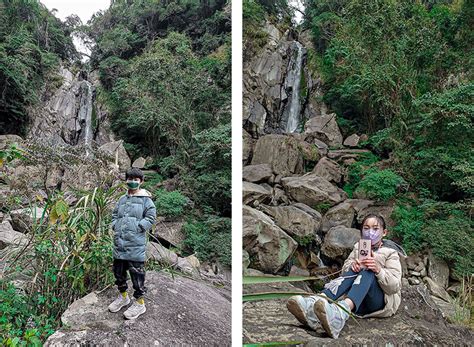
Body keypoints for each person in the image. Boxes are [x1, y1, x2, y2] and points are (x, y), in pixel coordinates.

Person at [287, 214, 404, 338]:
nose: (370, 232)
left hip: (378, 304)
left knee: (368, 269)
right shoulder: (359, 247)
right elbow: (345, 273)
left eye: (375, 229)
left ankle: (340, 315)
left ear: (384, 232)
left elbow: (394, 286)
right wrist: (353, 266)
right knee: (358, 267)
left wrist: (378, 270)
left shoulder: (391, 253)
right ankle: (314, 304)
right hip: (358, 303)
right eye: (366, 228)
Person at [108, 167, 157, 319]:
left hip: (135, 243)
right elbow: (114, 214)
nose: (132, 182)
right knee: (119, 273)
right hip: (119, 243)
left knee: (137, 275)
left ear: (141, 182)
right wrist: (115, 225)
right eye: (130, 179)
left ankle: (140, 303)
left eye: (136, 180)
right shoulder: (122, 199)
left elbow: (151, 217)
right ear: (126, 180)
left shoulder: (146, 200)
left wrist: (139, 226)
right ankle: (123, 297)